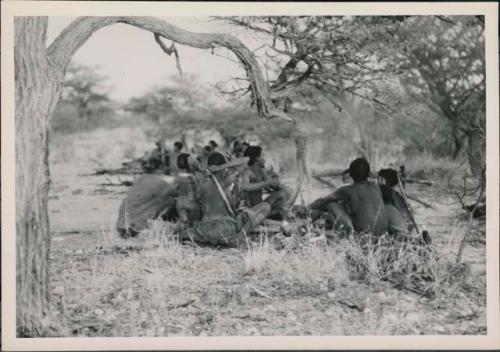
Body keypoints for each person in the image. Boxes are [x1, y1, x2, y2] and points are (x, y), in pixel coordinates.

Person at [177, 152, 272, 248]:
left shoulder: (201, 179)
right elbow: (246, 160)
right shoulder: (225, 180)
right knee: (265, 206)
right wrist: (227, 164)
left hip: (204, 229)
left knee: (183, 235)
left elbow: (190, 162)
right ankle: (238, 238)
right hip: (224, 227)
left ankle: (208, 243)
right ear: (222, 167)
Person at [310, 157, 389, 239]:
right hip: (383, 234)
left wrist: (308, 207)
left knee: (330, 204)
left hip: (364, 236)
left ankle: (308, 222)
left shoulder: (347, 190)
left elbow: (322, 201)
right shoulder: (376, 187)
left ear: (351, 174)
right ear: (369, 174)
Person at [240, 146, 290, 221]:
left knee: (284, 192)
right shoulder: (247, 171)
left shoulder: (260, 171)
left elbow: (271, 183)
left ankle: (274, 215)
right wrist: (264, 183)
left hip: (261, 204)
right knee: (282, 195)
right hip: (251, 208)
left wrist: (277, 185)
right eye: (262, 155)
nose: (264, 158)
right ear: (257, 158)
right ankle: (269, 216)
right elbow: (245, 186)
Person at [173, 153, 203, 227]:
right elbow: (197, 191)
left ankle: (179, 234)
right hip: (191, 202)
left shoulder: (177, 177)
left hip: (179, 203)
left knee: (184, 221)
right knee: (194, 222)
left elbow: (174, 189)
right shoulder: (192, 177)